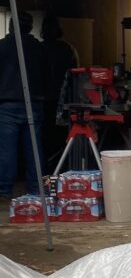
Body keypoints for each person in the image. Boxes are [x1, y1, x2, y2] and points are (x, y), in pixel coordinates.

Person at [0, 12, 46, 200]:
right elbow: (47, 75)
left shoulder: (1, 47)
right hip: (33, 102)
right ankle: (36, 187)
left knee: (6, 150)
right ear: (29, 27)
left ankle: (4, 190)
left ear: (11, 27)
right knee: (34, 149)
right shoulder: (38, 48)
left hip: (6, 103)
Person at [39, 14, 79, 165]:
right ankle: (61, 164)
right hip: (63, 99)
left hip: (43, 98)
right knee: (61, 134)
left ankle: (47, 165)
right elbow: (75, 72)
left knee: (45, 134)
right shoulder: (67, 49)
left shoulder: (40, 48)